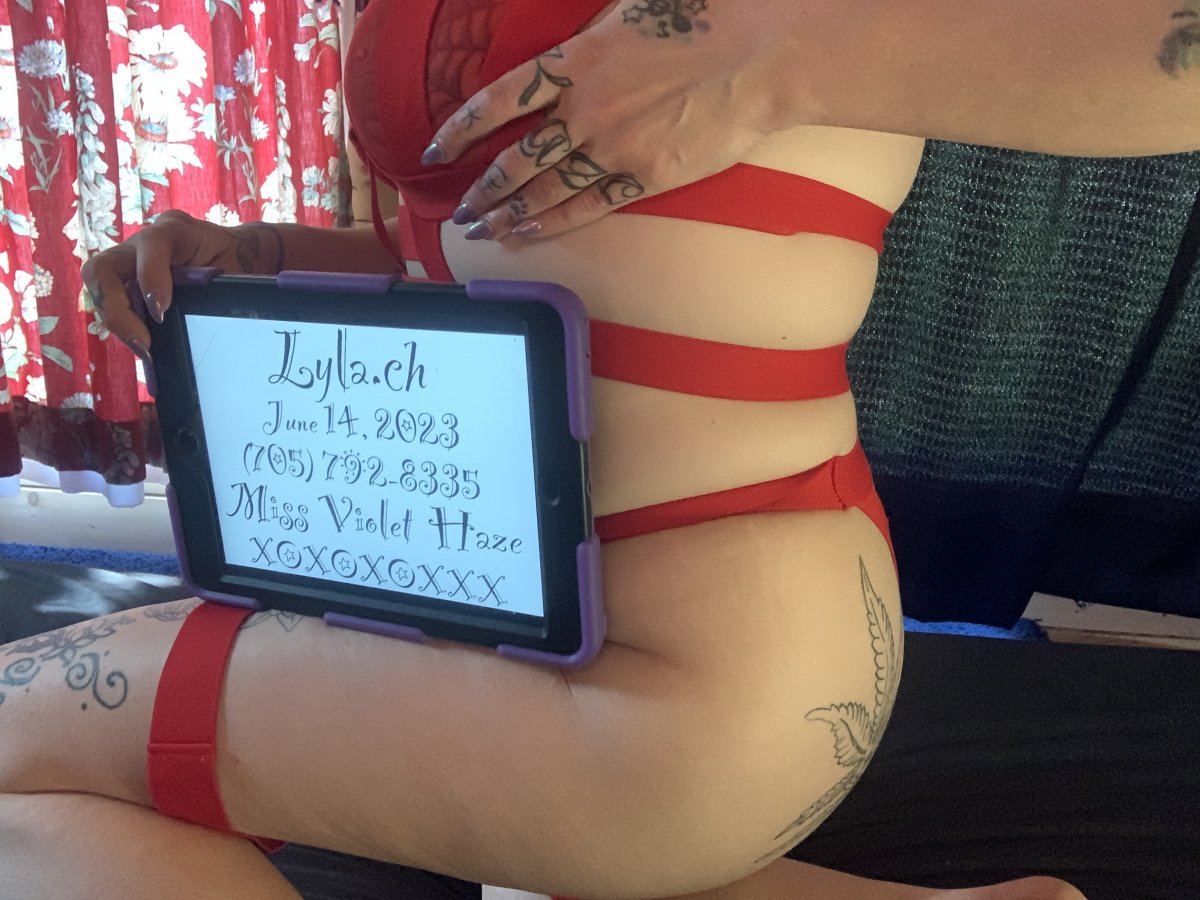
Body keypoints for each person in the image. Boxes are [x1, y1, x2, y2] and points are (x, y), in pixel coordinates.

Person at [2, 0, 1194, 897]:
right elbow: (500, 260)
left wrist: (781, 55)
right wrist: (262, 256)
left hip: (688, 674)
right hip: (521, 621)